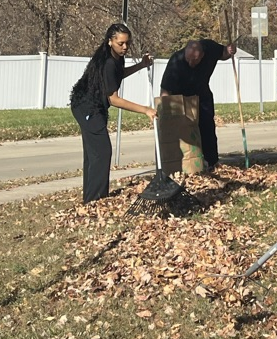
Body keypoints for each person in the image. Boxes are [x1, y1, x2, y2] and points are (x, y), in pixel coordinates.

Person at [70, 23, 156, 204]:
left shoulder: (116, 58)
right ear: (110, 41)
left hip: (92, 107)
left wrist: (141, 65)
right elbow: (114, 99)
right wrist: (145, 110)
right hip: (87, 108)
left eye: (127, 43)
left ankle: (91, 198)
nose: (125, 47)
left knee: (94, 154)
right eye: (120, 43)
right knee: (102, 152)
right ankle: (95, 200)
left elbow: (118, 75)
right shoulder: (108, 62)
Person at [159, 38, 237, 171]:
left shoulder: (210, 48)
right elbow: (165, 90)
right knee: (184, 131)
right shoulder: (176, 61)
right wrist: (165, 110)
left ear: (202, 55)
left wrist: (229, 51)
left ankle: (211, 162)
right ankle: (183, 164)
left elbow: (223, 53)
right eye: (188, 59)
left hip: (202, 95)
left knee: (207, 128)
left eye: (195, 60)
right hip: (181, 99)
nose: (191, 63)